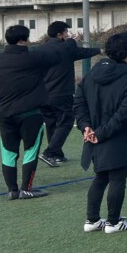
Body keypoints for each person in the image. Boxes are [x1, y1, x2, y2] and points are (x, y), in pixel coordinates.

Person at [75, 31, 127, 233]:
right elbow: (124, 114)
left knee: (101, 177)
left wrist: (86, 126)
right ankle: (113, 222)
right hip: (116, 136)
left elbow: (79, 103)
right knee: (117, 178)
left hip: (95, 134)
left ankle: (92, 220)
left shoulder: (90, 76)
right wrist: (97, 131)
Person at [0, 24, 63, 199]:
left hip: (4, 113)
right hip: (30, 113)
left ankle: (12, 190)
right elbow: (56, 57)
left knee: (9, 152)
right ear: (23, 40)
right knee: (30, 150)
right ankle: (26, 189)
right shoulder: (34, 58)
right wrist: (62, 42)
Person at [39, 20, 101, 166]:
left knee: (52, 123)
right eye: (66, 32)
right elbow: (74, 47)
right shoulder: (66, 48)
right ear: (59, 34)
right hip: (61, 93)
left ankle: (57, 154)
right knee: (66, 122)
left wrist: (97, 50)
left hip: (43, 94)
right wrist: (74, 41)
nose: (68, 35)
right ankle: (50, 152)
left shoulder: (42, 49)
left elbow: (81, 52)